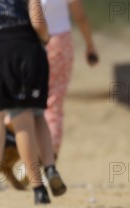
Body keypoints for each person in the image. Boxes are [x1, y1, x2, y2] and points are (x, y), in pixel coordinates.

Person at [0, 0, 67, 204]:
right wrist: (45, 38)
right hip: (26, 50)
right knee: (38, 114)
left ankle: (38, 188)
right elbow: (38, 22)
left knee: (18, 119)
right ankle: (50, 167)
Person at [42, 0, 99, 157]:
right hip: (60, 43)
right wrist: (90, 45)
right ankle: (49, 162)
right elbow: (80, 16)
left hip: (32, 41)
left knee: (28, 102)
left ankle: (26, 158)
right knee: (54, 102)